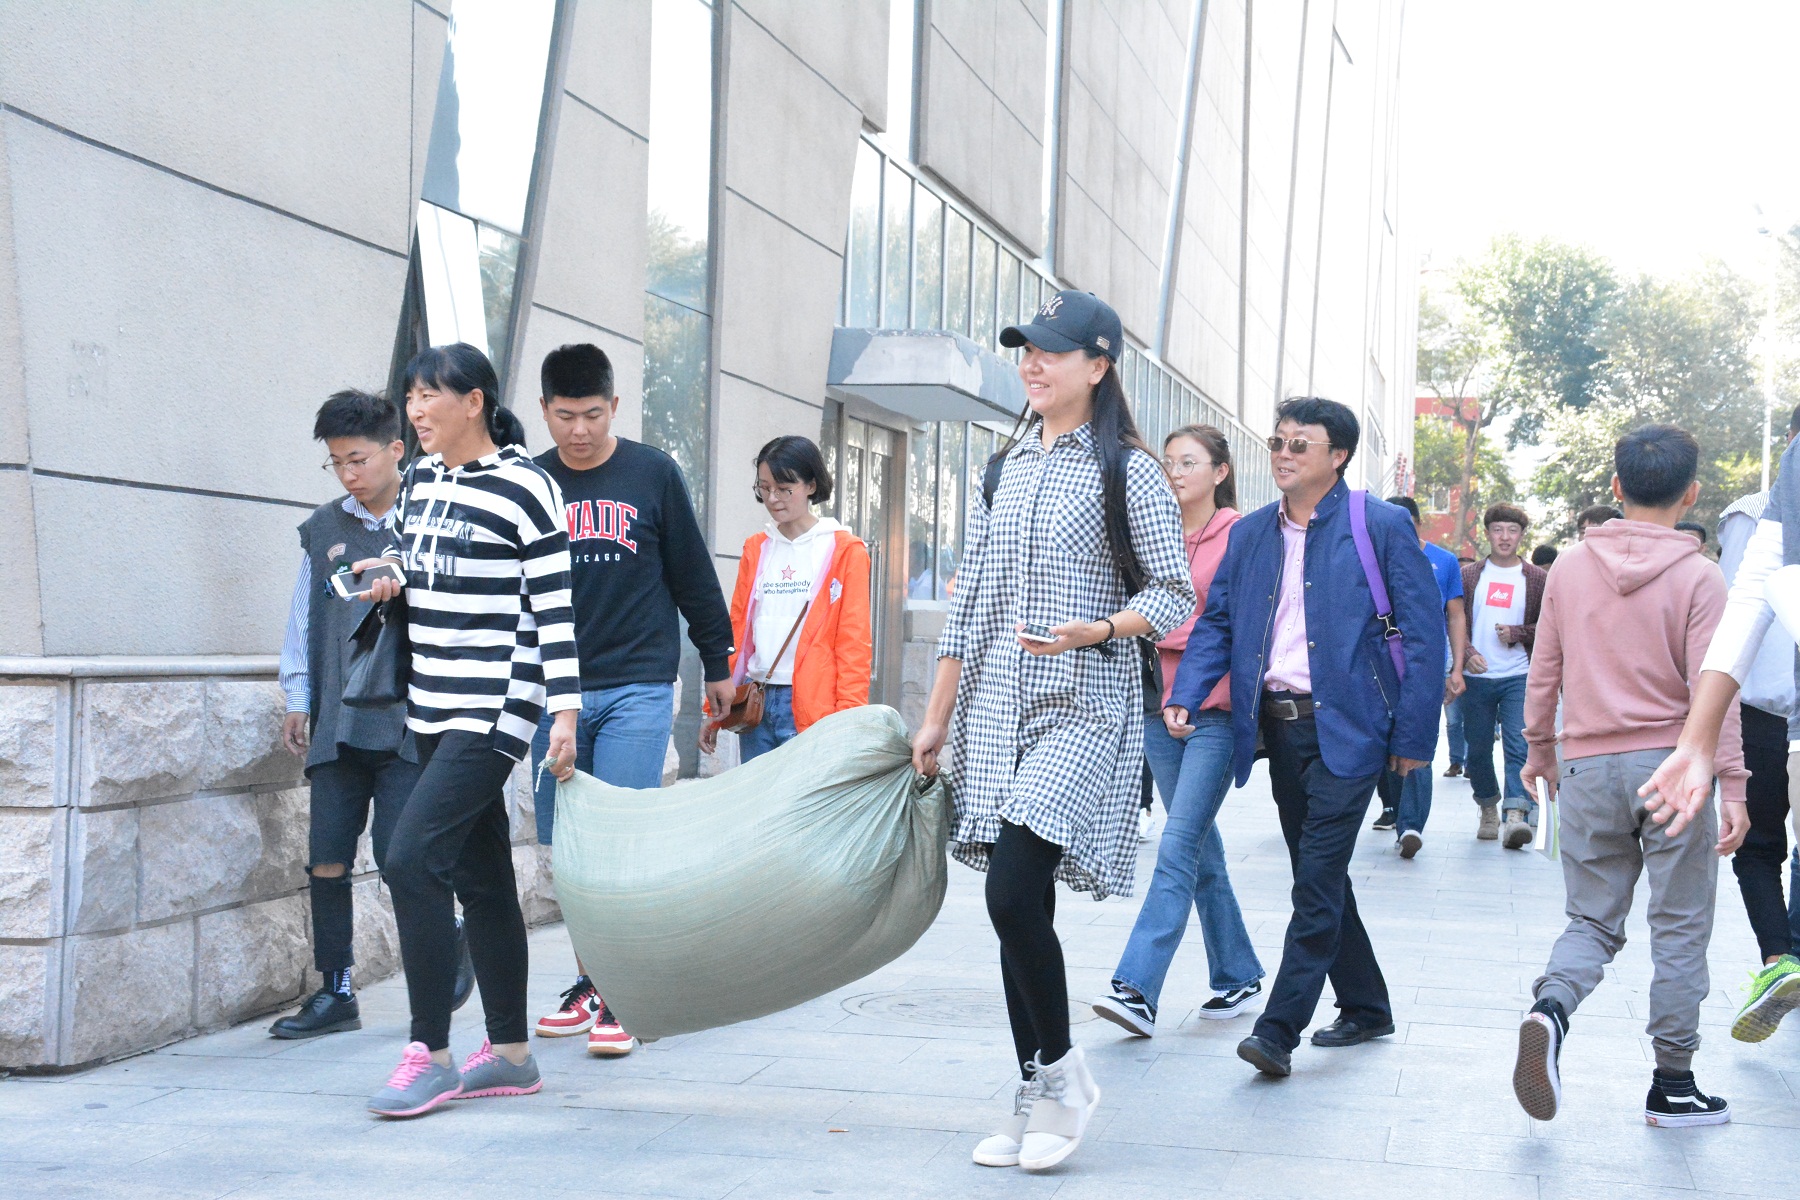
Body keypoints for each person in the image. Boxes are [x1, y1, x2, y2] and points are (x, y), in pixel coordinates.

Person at [911, 290, 1193, 1170]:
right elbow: (971, 601)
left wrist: (1097, 629)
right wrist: (935, 716)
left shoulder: (1128, 470)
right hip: (997, 705)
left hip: (1083, 704)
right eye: (1026, 349)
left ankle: (1064, 1081)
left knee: (1009, 894)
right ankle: (1037, 1089)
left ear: (1098, 366)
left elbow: (1172, 592)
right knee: (1020, 907)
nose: (1032, 364)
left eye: (1053, 351)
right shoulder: (1005, 466)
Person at [1167, 396, 1445, 1080]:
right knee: (1317, 874)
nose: (1284, 454)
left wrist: (1414, 739)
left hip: (1352, 730)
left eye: (1301, 444)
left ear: (1338, 456)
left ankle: (1277, 1030)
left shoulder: (1379, 526)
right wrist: (1186, 692)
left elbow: (1424, 636)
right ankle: (1367, 1004)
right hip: (1279, 729)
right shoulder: (1252, 532)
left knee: (1315, 882)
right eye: (1278, 442)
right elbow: (1219, 620)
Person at [356, 343, 579, 1118]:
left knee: (409, 858)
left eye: (430, 396)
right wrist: (383, 577)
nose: (416, 410)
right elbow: (409, 561)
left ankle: (432, 1053)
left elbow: (554, 607)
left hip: (493, 710)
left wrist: (564, 712)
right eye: (411, 396)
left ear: (474, 401)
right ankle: (512, 1054)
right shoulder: (421, 480)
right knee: (484, 882)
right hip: (430, 706)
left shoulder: (528, 487)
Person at [1513, 424, 1747, 1128]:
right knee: (1679, 926)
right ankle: (1673, 1084)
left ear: (1616, 487)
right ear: (1692, 494)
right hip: (1674, 768)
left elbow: (1545, 668)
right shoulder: (1702, 577)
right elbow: (1715, 689)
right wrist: (1732, 782)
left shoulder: (1569, 568)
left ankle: (1551, 1008)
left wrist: (1539, 750)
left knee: (1591, 918)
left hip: (1586, 764)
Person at [527, 344, 736, 1057]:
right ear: (544, 411)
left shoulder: (653, 474)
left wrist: (718, 664)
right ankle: (593, 982)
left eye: (593, 414)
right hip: (555, 691)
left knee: (618, 841)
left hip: (639, 685)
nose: (580, 430)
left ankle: (624, 992)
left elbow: (692, 574)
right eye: (565, 416)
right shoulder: (532, 482)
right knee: (569, 849)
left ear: (614, 406)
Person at [272, 390, 471, 1038]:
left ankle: (449, 942)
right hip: (337, 719)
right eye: (336, 462)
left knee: (400, 856)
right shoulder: (324, 528)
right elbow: (305, 615)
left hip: (411, 720)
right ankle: (336, 991)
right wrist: (297, 696)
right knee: (326, 857)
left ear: (395, 449)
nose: (348, 474)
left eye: (357, 459)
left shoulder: (430, 518)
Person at [1092, 425, 1264, 1037]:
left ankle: (1137, 988)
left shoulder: (1242, 535)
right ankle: (1238, 972)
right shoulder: (1154, 534)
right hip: (1153, 704)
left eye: (1188, 462)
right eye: (1168, 462)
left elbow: (1235, 622)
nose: (1175, 472)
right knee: (1199, 849)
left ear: (1220, 472)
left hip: (1214, 710)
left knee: (1178, 842)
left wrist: (1156, 626)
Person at [1688, 407, 1800, 1040]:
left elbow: (1736, 606)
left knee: (1758, 848)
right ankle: (1785, 959)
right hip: (1765, 708)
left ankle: (1780, 957)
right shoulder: (1754, 512)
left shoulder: (1750, 511)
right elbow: (1744, 602)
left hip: (1760, 703)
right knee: (1761, 845)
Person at [702, 436, 871, 762]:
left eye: (784, 488)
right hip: (756, 701)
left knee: (805, 795)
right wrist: (716, 708)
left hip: (814, 705)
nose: (772, 498)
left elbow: (854, 642)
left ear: (810, 485)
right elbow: (738, 630)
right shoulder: (757, 548)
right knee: (758, 794)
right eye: (764, 488)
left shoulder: (844, 550)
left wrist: (849, 718)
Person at [1370, 496, 1467, 857]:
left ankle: (1411, 825)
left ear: (1418, 523)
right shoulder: (1372, 560)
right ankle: (1395, 810)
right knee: (1384, 743)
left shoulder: (1444, 561)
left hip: (1425, 667)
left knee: (1419, 738)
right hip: (1380, 670)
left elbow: (1455, 614)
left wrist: (1456, 667)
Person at [1461, 503, 1547, 848]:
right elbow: (1454, 621)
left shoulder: (1537, 579)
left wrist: (1517, 633)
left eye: (1512, 530)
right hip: (1476, 677)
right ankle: (1487, 807)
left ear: (1522, 535)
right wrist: (1467, 654)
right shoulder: (1470, 576)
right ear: (1487, 533)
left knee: (1518, 744)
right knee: (1477, 750)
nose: (1505, 537)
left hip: (1519, 674)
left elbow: (1549, 627)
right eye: (1498, 530)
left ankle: (1515, 815)